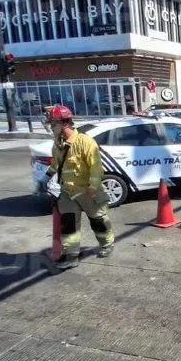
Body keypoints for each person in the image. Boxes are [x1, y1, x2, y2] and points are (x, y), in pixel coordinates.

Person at [41, 105, 115, 270]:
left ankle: (107, 243)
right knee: (69, 224)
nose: (51, 127)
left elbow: (96, 166)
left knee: (98, 220)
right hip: (68, 192)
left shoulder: (84, 141)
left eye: (53, 124)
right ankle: (71, 256)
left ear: (65, 123)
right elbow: (56, 164)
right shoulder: (58, 144)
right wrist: (46, 177)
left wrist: (93, 186)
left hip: (87, 191)